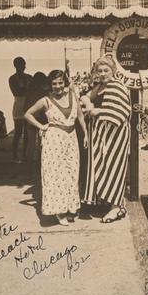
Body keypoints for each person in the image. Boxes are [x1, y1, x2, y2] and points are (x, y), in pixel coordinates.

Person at [25, 70, 88, 226]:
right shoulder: (46, 100)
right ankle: (59, 212)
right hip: (54, 139)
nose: (58, 86)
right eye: (54, 83)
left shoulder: (73, 96)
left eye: (60, 82)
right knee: (55, 175)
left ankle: (70, 207)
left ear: (65, 82)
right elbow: (27, 114)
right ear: (50, 85)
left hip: (71, 138)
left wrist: (85, 134)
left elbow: (80, 116)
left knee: (72, 172)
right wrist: (41, 126)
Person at [80, 56, 131, 224]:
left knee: (114, 167)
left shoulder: (117, 86)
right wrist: (89, 104)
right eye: (99, 71)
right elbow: (85, 97)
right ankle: (107, 202)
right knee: (102, 166)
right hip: (101, 134)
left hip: (115, 134)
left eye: (106, 70)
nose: (102, 74)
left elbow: (121, 111)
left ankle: (117, 207)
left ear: (113, 71)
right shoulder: (100, 86)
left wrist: (98, 111)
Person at [9, 57, 33, 163]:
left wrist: (25, 89)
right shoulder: (12, 79)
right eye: (21, 64)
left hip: (28, 106)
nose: (24, 66)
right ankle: (14, 156)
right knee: (18, 132)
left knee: (27, 132)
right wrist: (27, 89)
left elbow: (32, 90)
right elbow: (16, 92)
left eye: (24, 64)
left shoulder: (29, 77)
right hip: (18, 107)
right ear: (15, 66)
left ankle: (24, 155)